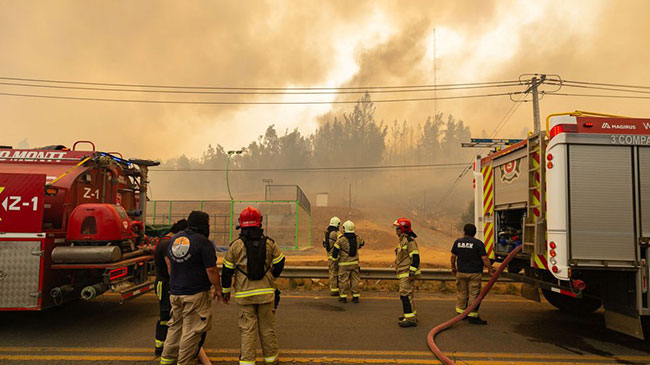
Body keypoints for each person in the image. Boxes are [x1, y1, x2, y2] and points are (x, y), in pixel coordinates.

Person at [221, 206, 285, 365]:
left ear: (241, 224)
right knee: (267, 329)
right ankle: (271, 360)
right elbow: (280, 261)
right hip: (266, 294)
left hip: (244, 295)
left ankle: (248, 362)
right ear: (259, 223)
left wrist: (225, 291)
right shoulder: (270, 243)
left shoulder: (235, 246)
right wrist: (271, 276)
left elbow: (227, 270)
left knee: (247, 330)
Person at [161, 211, 222, 365]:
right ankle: (185, 362)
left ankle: (167, 360)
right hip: (194, 294)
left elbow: (170, 265)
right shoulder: (203, 242)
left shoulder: (175, 239)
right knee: (191, 331)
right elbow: (212, 270)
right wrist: (218, 289)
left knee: (174, 327)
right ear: (203, 225)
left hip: (175, 292)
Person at [154, 219, 188, 356]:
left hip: (163, 282)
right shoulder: (168, 243)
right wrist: (178, 282)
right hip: (166, 283)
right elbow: (170, 266)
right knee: (165, 315)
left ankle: (162, 345)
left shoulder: (164, 240)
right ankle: (161, 347)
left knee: (167, 314)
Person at [451, 223, 495, 325]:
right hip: (474, 273)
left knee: (462, 293)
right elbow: (484, 258)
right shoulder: (478, 243)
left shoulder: (458, 242)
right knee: (474, 294)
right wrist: (490, 270)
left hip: (461, 272)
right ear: (474, 233)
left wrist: (453, 267)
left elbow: (453, 257)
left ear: (464, 232)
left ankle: (461, 313)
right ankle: (472, 315)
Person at [393, 218, 421, 328]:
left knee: (404, 295)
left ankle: (410, 319)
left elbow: (415, 257)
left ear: (403, 228)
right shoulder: (403, 240)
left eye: (398, 228)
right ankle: (410, 314)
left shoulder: (409, 241)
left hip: (407, 272)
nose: (396, 230)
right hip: (403, 272)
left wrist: (411, 273)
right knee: (408, 295)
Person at [331, 220, 365, 303]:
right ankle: (355, 297)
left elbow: (335, 252)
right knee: (355, 281)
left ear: (344, 228)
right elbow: (362, 243)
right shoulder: (358, 238)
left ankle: (343, 297)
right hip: (354, 264)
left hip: (344, 264)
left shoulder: (341, 239)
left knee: (343, 281)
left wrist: (334, 260)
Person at [323, 217, 342, 296]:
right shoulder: (336, 233)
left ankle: (334, 289)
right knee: (337, 273)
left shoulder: (327, 233)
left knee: (332, 273)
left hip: (330, 256)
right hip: (336, 256)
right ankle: (336, 290)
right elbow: (343, 240)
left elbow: (324, 244)